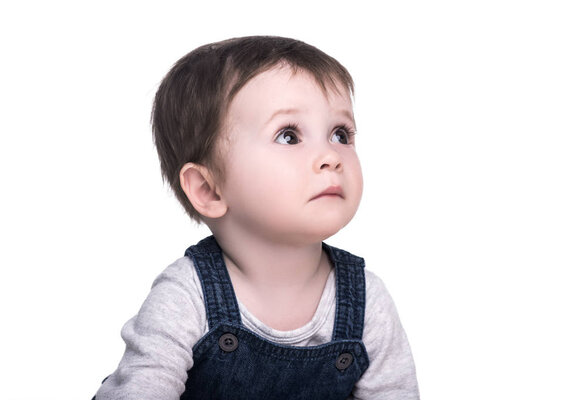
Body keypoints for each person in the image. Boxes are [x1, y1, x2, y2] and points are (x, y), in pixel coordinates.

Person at [93, 36, 419, 400]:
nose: (331, 155)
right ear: (208, 189)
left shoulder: (366, 302)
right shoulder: (187, 296)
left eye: (340, 134)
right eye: (289, 135)